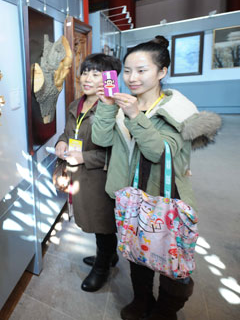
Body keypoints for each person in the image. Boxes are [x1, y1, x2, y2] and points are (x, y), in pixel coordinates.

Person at [92, 36, 221, 320]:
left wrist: (136, 116)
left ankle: (166, 310)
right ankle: (142, 300)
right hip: (130, 196)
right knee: (139, 253)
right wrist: (106, 105)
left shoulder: (177, 110)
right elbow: (100, 138)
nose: (131, 78)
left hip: (165, 197)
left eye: (141, 70)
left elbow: (158, 154)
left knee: (171, 259)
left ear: (162, 72)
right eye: (126, 70)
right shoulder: (122, 103)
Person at [53, 53, 122, 292]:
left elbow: (120, 153)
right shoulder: (76, 104)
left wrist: (85, 157)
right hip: (80, 174)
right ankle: (108, 256)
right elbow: (68, 133)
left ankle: (103, 267)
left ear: (110, 79)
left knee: (103, 224)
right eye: (85, 72)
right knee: (95, 223)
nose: (87, 78)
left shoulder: (115, 108)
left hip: (101, 177)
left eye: (96, 74)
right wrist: (61, 142)